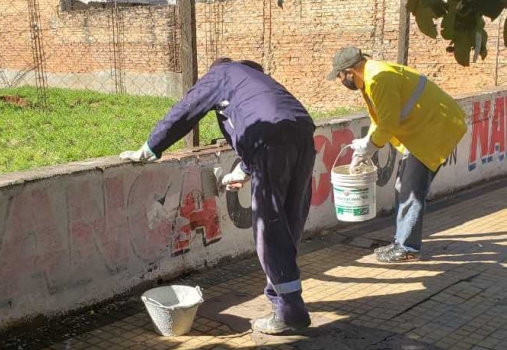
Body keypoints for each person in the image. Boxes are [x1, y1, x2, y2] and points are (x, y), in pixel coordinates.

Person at [120, 57, 317, 334]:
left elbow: (186, 109)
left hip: (270, 141)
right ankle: (286, 300)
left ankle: (289, 311)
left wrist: (151, 147)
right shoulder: (258, 83)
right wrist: (246, 169)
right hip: (303, 133)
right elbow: (265, 119)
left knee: (269, 228)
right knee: (289, 221)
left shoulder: (223, 72)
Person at [326, 46, 466, 263]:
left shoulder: (379, 79)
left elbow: (388, 124)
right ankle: (402, 243)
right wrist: (365, 149)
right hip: (424, 130)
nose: (341, 81)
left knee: (410, 190)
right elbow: (381, 119)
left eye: (340, 76)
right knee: (404, 188)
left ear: (350, 72)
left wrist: (368, 147)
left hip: (432, 131)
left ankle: (407, 248)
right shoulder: (373, 76)